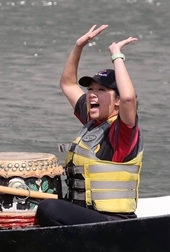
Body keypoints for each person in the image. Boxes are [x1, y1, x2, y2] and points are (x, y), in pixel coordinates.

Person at [36, 25, 141, 226]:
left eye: (101, 90)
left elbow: (129, 98)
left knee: (49, 208)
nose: (92, 94)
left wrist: (116, 55)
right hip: (86, 216)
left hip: (113, 222)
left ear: (117, 101)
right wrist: (78, 47)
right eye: (91, 89)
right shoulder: (94, 122)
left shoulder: (122, 132)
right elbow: (68, 84)